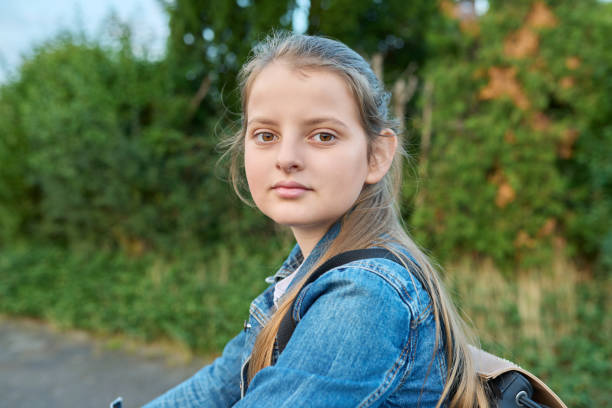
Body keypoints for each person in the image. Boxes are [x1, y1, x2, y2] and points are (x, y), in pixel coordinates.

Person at [142, 32, 490, 408]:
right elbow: (214, 389)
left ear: (376, 155)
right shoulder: (305, 274)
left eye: (323, 135)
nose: (287, 157)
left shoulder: (363, 295)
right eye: (266, 134)